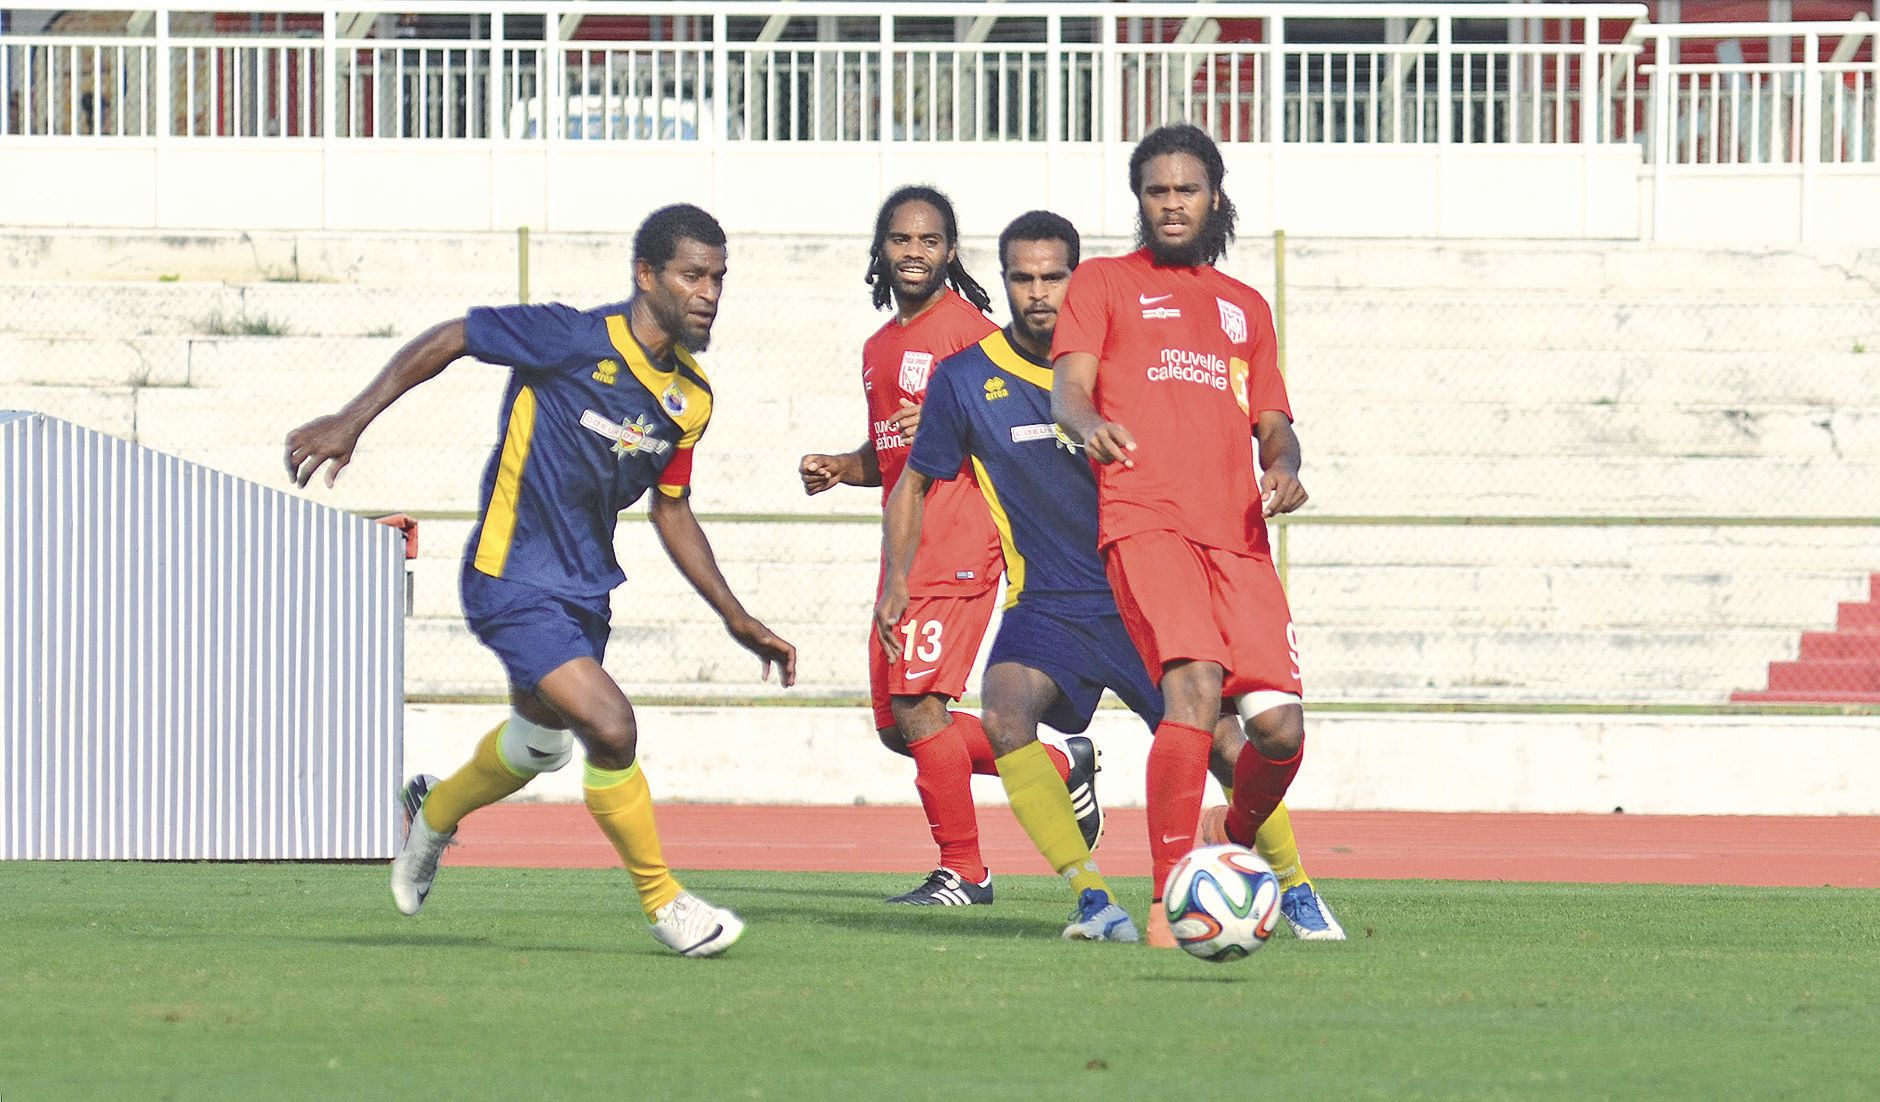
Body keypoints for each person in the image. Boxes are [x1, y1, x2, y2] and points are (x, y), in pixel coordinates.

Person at [284, 203, 795, 958]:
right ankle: (666, 904)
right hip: (509, 575)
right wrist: (352, 419)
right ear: (646, 275)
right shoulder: (572, 338)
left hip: (585, 590)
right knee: (611, 728)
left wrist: (735, 615)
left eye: (719, 277)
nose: (709, 291)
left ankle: (433, 813)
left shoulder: (691, 399)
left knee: (539, 745)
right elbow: (455, 336)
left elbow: (673, 510)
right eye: (693, 274)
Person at [882, 210, 1340, 944]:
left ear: (1082, 278)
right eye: (1022, 279)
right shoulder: (966, 380)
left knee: (1228, 743)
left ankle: (1293, 885)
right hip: (1051, 602)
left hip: (1145, 588)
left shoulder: (1129, 353)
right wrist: (894, 582)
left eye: (1054, 277)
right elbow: (914, 479)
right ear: (1001, 283)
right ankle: (1093, 897)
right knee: (1002, 712)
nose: (1040, 294)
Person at [1050, 124, 1335, 948]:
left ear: (1215, 195)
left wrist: (1283, 466)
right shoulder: (1104, 283)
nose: (1171, 204)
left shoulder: (1246, 309)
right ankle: (1171, 898)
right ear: (1140, 201)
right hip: (1147, 523)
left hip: (1239, 537)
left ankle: (1232, 844)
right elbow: (1069, 389)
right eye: (1156, 191)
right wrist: (1087, 423)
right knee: (1195, 689)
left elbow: (1274, 425)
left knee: (1280, 733)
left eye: (1187, 190)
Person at [800, 186, 1100, 907]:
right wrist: (847, 466)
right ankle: (1060, 763)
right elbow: (898, 453)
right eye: (901, 239)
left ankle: (965, 870)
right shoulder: (879, 348)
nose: (914, 252)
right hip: (904, 556)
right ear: (882, 249)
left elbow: (1023, 424)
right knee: (900, 730)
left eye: (929, 241)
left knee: (920, 710)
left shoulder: (972, 337)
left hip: (962, 542)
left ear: (950, 252)